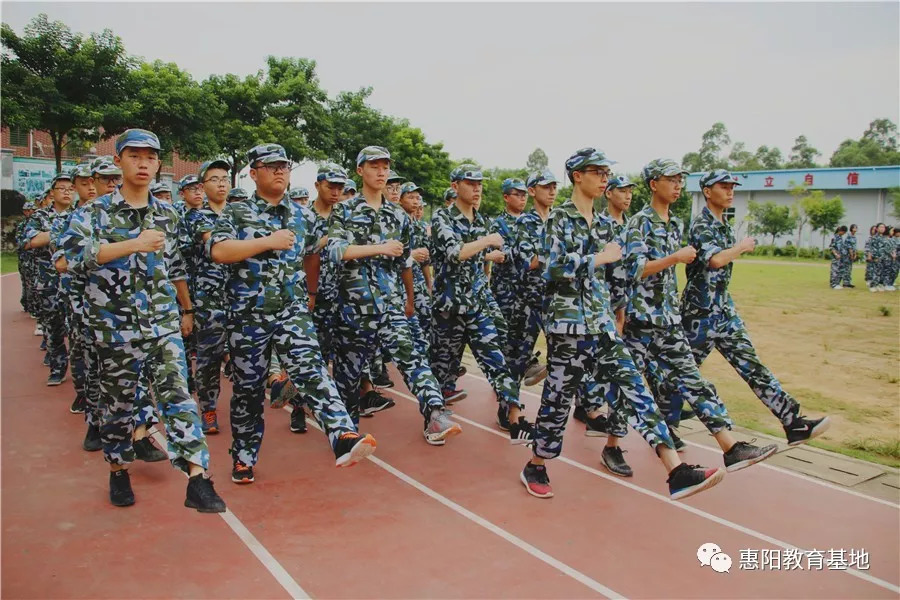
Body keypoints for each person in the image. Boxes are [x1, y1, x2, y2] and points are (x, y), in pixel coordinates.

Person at [521, 148, 725, 500]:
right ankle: (537, 463)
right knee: (557, 401)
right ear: (576, 176)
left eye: (606, 172)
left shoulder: (606, 225)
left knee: (637, 389)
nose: (604, 178)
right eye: (596, 172)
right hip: (567, 326)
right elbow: (550, 268)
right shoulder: (558, 219)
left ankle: (675, 469)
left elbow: (621, 274)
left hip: (601, 323)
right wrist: (596, 258)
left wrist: (622, 295)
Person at [63, 128, 226, 511]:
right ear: (119, 160)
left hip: (161, 325)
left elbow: (175, 268)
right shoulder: (93, 212)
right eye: (134, 155)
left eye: (150, 157)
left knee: (179, 396)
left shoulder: (167, 213)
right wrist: (133, 244)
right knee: (118, 410)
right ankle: (118, 468)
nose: (143, 163)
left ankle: (198, 479)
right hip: (114, 330)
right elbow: (73, 257)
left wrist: (186, 310)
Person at [210, 143, 377, 484]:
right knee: (248, 389)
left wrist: (311, 293)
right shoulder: (236, 213)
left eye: (284, 166)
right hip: (248, 315)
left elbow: (316, 251)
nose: (280, 171)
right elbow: (220, 251)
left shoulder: (303, 215)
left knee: (312, 369)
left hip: (292, 310)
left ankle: (342, 434)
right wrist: (267, 241)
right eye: (271, 166)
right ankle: (243, 456)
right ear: (253, 173)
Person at [624, 158, 777, 470]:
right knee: (624, 386)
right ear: (654, 184)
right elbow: (634, 269)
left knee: (693, 380)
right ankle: (613, 444)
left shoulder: (676, 223)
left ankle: (730, 447)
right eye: (672, 179)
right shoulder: (639, 223)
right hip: (640, 321)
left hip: (668, 319)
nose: (679, 185)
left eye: (681, 180)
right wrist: (674, 257)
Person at [673, 169, 831, 447]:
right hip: (699, 315)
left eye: (732, 186)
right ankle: (665, 424)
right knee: (682, 372)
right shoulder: (702, 225)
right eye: (723, 186)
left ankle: (792, 422)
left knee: (752, 365)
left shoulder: (723, 225)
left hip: (724, 312)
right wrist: (742, 247)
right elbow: (715, 261)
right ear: (708, 192)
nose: (730, 191)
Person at [327, 146, 461, 445]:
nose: (381, 171)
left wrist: (410, 300)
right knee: (348, 377)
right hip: (353, 307)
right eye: (374, 166)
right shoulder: (345, 211)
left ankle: (436, 411)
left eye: (385, 166)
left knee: (412, 357)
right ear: (360, 170)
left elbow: (404, 264)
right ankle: (347, 435)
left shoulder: (397, 216)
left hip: (389, 305)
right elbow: (336, 251)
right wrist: (380, 248)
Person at [430, 164, 534, 443]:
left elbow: (481, 259)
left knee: (497, 361)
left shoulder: (481, 220)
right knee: (442, 369)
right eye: (470, 183)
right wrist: (486, 241)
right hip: (448, 308)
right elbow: (455, 254)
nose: (476, 188)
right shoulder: (442, 218)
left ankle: (513, 419)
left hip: (476, 306)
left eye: (479, 184)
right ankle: (435, 420)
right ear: (455, 186)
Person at [187, 159, 233, 434]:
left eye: (225, 179)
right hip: (208, 300)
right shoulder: (196, 217)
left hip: (240, 295)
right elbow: (216, 242)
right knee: (208, 359)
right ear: (203, 186)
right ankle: (208, 408)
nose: (221, 184)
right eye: (214, 179)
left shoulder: (240, 213)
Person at [24, 172, 74, 386]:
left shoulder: (83, 213)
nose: (66, 192)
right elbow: (31, 241)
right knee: (53, 327)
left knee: (78, 330)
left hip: (75, 282)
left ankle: (84, 377)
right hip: (49, 280)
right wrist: (60, 230)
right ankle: (58, 366)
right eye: (61, 188)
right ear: (52, 192)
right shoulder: (40, 216)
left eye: (70, 188)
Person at [829, 225, 848, 290]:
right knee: (834, 270)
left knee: (840, 271)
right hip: (836, 257)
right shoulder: (834, 237)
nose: (843, 234)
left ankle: (837, 283)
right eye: (843, 232)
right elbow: (832, 247)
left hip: (841, 257)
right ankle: (833, 284)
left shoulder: (840, 237)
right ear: (841, 231)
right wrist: (836, 254)